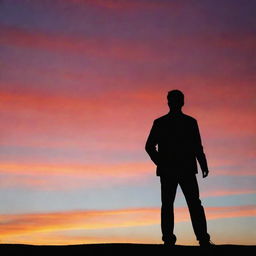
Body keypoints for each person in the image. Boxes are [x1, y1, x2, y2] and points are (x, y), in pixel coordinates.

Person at [145, 90, 213, 247]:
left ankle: (200, 238)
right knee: (175, 204)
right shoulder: (164, 123)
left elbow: (197, 146)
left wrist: (203, 163)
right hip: (176, 169)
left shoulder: (188, 122)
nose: (173, 103)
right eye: (172, 100)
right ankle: (173, 239)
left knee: (190, 204)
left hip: (184, 169)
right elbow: (149, 146)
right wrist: (160, 162)